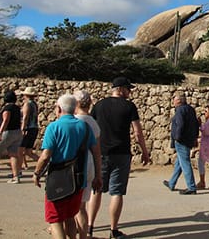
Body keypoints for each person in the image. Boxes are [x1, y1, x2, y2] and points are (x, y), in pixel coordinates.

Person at [32, 94, 101, 239]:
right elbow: (96, 153)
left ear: (58, 108)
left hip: (58, 179)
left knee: (55, 220)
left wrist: (37, 173)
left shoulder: (54, 127)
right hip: (78, 179)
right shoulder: (85, 127)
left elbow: (45, 156)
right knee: (71, 215)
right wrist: (98, 176)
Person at [90, 77, 151, 239]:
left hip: (101, 152)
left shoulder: (99, 105)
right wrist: (144, 151)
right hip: (122, 153)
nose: (130, 92)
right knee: (117, 192)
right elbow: (137, 132)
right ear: (121, 89)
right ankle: (113, 229)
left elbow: (90, 127)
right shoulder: (129, 107)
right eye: (128, 89)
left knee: (96, 190)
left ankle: (89, 226)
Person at [74, 90, 102, 239]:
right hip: (89, 164)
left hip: (75, 165)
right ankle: (84, 235)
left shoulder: (73, 121)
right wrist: (98, 173)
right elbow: (97, 151)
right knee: (81, 206)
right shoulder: (93, 123)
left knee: (74, 207)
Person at [162, 94, 200, 195]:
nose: (173, 102)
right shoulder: (191, 109)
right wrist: (195, 137)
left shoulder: (180, 110)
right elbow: (196, 124)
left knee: (185, 163)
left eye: (174, 100)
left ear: (178, 101)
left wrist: (177, 138)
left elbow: (180, 124)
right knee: (180, 162)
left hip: (182, 141)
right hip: (188, 140)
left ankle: (191, 187)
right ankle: (172, 183)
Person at [18, 86, 40, 172]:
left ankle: (18, 170)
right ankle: (45, 164)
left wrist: (23, 128)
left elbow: (25, 116)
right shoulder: (34, 104)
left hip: (28, 128)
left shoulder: (27, 104)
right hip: (34, 127)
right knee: (28, 151)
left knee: (20, 150)